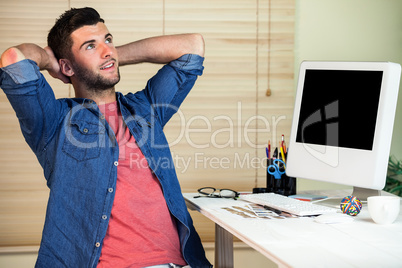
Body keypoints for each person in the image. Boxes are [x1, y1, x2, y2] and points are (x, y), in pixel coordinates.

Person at [0, 7, 211, 268]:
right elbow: (13, 58)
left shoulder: (146, 108)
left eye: (107, 39)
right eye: (90, 46)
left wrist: (111, 55)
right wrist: (48, 60)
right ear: (66, 65)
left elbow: (192, 47)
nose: (106, 50)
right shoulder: (54, 121)